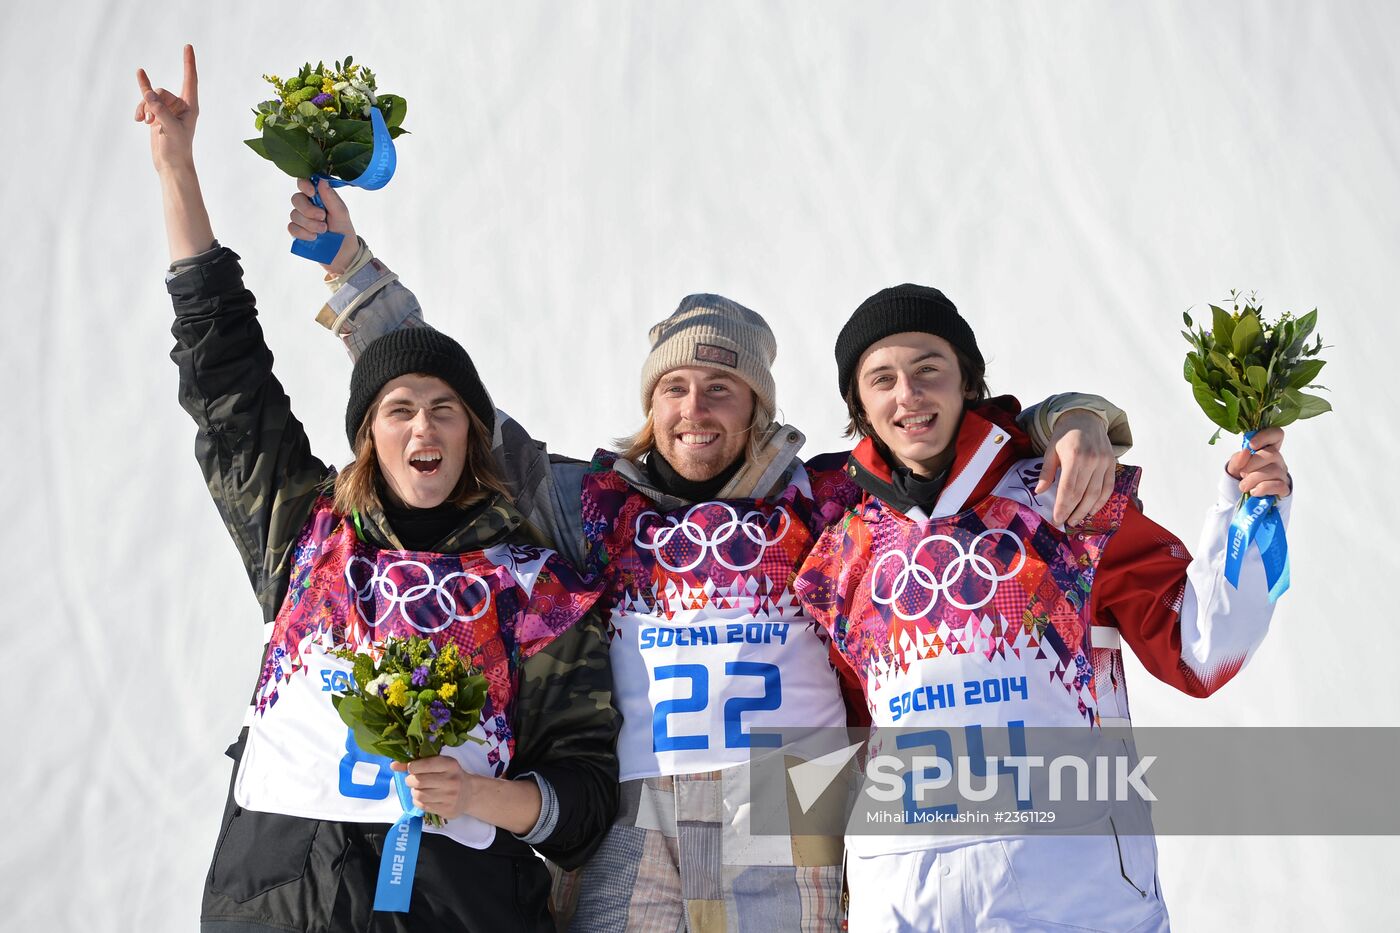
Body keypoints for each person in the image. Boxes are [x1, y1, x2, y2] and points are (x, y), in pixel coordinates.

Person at [283, 190, 1134, 931]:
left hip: (785, 810)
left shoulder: (826, 498)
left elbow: (940, 436)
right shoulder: (590, 503)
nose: (698, 408)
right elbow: (457, 401)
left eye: (723, 388)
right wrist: (354, 271)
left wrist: (1075, 415)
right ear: (650, 406)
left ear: (758, 406)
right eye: (675, 389)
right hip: (633, 821)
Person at [136, 46, 619, 933]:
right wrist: (177, 168)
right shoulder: (306, 530)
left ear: (473, 432)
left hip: (460, 908)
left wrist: (481, 794)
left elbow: (584, 803)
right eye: (399, 409)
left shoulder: (535, 586)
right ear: (369, 432)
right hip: (286, 900)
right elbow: (224, 381)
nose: (424, 428)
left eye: (445, 410)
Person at [794, 285, 1293, 932]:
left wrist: (1250, 511)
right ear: (858, 405)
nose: (907, 395)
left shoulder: (1059, 496)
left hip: (1079, 901)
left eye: (928, 370)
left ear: (967, 380)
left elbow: (1198, 646)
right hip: (907, 903)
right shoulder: (836, 539)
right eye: (881, 378)